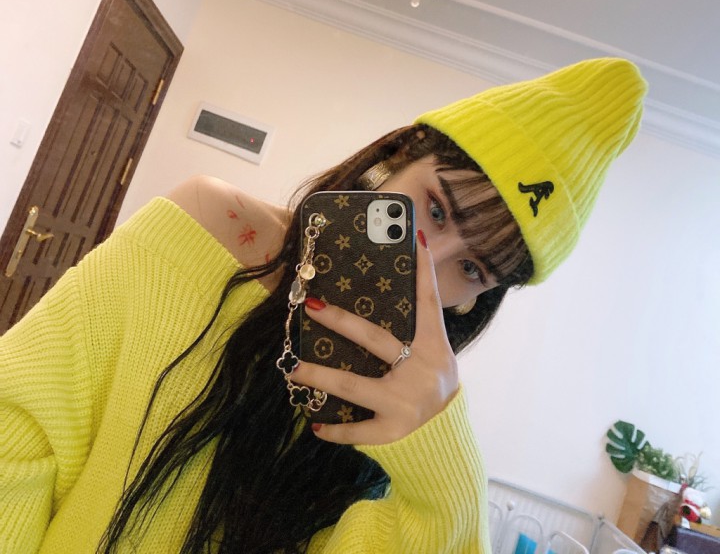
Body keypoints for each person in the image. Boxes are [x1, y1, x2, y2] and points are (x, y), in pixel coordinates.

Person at [0, 58, 647, 553]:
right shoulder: (204, 224)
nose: (430, 263)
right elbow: (20, 423)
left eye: (473, 268)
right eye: (434, 208)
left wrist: (443, 476)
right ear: (398, 157)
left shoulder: (412, 410)